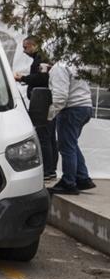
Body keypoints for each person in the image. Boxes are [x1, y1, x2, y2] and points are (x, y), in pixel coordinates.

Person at [47, 60, 95, 195]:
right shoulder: (74, 64)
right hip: (85, 107)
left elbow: (60, 96)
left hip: (71, 109)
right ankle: (82, 178)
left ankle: (68, 183)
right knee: (71, 144)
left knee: (66, 147)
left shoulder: (59, 68)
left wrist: (50, 115)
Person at [15, 36, 57, 180]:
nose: (24, 51)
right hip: (43, 100)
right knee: (49, 136)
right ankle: (51, 169)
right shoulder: (38, 59)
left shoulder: (42, 60)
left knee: (44, 135)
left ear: (33, 45)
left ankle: (48, 170)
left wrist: (23, 78)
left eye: (26, 47)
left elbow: (42, 78)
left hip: (42, 101)